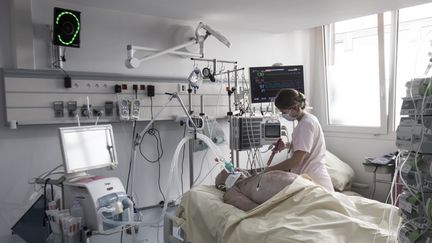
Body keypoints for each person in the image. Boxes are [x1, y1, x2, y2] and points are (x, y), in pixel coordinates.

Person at [265, 88, 334, 192]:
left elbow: (296, 161)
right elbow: (305, 145)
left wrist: (270, 170)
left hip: (313, 180)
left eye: (284, 112)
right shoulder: (309, 119)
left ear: (295, 107)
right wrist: (286, 146)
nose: (283, 115)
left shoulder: (305, 124)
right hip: (311, 178)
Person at [215, 169, 301, 211]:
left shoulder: (249, 178)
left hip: (302, 183)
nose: (235, 170)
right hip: (294, 195)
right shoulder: (232, 191)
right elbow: (250, 207)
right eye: (227, 172)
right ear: (222, 186)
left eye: (234, 169)